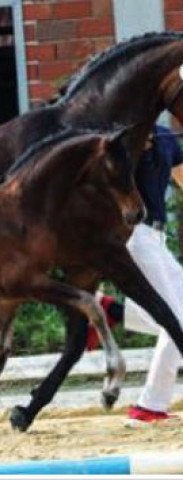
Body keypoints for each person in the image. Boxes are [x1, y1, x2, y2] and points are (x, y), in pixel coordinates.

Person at [89, 123, 183, 427]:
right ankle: (150, 405)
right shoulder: (124, 137)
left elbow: (181, 177)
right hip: (133, 234)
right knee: (177, 320)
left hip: (157, 238)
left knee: (176, 318)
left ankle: (112, 312)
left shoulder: (167, 137)